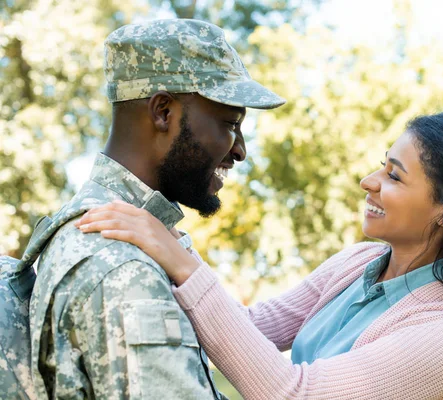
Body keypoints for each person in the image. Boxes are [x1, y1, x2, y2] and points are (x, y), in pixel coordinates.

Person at [78, 112, 443, 399]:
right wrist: (160, 253)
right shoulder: (357, 264)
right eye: (382, 164)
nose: (369, 181)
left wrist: (181, 262)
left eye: (394, 176)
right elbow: (251, 328)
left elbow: (295, 394)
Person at [29, 19, 285, 399]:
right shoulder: (122, 263)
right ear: (163, 111)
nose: (240, 150)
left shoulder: (128, 235)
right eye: (230, 123)